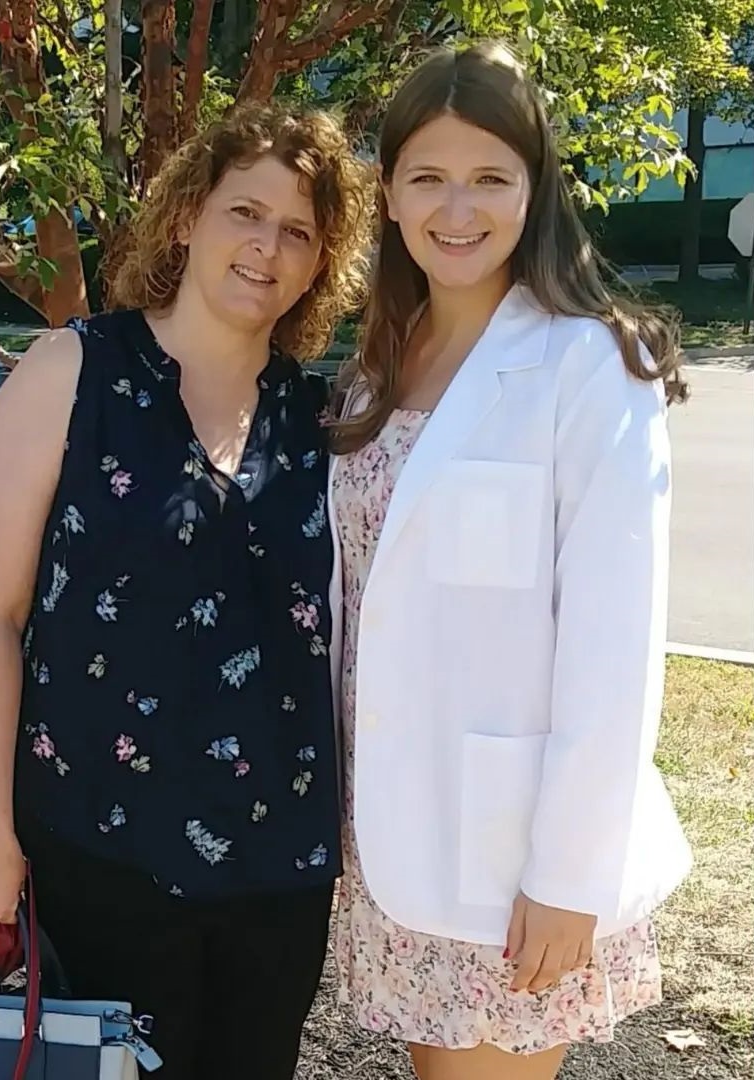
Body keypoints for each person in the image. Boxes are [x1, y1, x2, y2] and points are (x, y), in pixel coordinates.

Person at [0, 103, 372, 1080]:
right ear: (186, 216)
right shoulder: (72, 373)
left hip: (279, 872)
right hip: (96, 853)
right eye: (245, 212)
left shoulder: (326, 419)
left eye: (299, 231)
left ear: (319, 267)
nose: (267, 246)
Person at [329, 43, 692, 1080]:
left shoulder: (589, 363)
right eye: (428, 177)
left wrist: (571, 873)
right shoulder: (376, 369)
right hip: (391, 821)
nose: (458, 208)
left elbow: (614, 643)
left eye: (491, 177)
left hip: (513, 850)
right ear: (389, 195)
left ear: (534, 192)